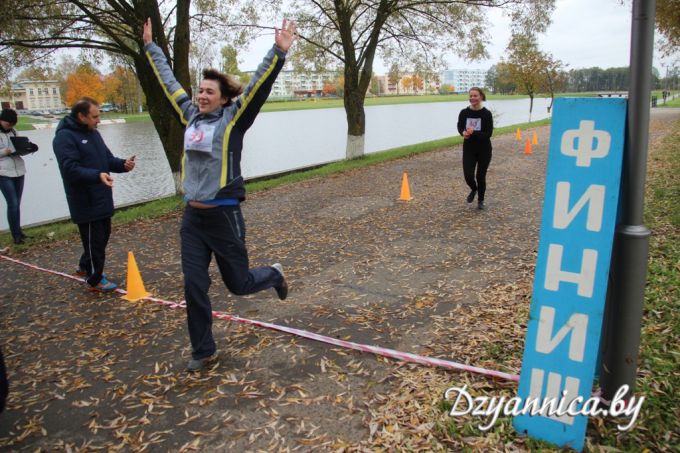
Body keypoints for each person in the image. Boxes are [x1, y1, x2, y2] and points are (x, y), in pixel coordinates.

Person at [142, 18, 296, 372]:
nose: (202, 95)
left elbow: (258, 86)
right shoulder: (190, 116)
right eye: (200, 91)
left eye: (210, 92)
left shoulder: (234, 119)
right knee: (193, 285)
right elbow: (168, 83)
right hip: (192, 221)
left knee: (238, 284)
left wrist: (278, 51)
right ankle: (204, 350)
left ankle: (273, 274)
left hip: (224, 218)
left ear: (224, 98)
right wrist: (151, 48)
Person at [53, 97, 136, 291]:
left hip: (102, 196)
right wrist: (96, 175)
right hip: (85, 200)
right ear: (81, 116)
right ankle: (94, 279)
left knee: (101, 237)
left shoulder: (94, 134)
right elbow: (70, 169)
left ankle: (84, 266)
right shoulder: (64, 138)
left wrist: (123, 164)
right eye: (95, 117)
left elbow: (106, 159)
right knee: (94, 240)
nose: (98, 120)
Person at [457, 87, 494, 210]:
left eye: (475, 96)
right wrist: (463, 133)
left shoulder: (486, 114)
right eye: (471, 96)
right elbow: (460, 126)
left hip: (484, 150)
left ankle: (481, 200)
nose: (472, 98)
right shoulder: (464, 112)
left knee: (480, 176)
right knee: (468, 175)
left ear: (481, 97)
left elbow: (488, 134)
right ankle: (474, 189)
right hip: (469, 149)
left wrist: (473, 133)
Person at [0, 109, 29, 244]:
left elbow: (18, 146)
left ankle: (19, 230)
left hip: (18, 170)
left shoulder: (14, 131)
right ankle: (15, 235)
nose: (10, 126)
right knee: (12, 203)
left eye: (12, 124)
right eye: (8, 124)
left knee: (17, 203)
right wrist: (4, 152)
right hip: (3, 172)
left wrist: (26, 149)